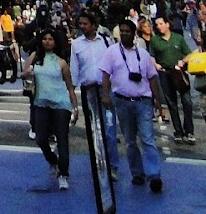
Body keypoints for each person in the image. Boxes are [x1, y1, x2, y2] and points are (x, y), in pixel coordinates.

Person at [100, 17, 167, 192]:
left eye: (127, 31)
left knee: (147, 139)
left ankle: (154, 175)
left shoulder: (143, 55)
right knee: (130, 141)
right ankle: (137, 173)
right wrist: (105, 96)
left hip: (142, 102)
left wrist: (158, 102)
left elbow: (152, 78)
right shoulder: (112, 52)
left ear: (134, 34)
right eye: (121, 31)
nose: (123, 34)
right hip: (122, 101)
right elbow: (106, 75)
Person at [23, 28, 78, 190]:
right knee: (40, 138)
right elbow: (24, 74)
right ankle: (53, 160)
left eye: (50, 39)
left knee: (62, 140)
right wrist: (26, 74)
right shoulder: (35, 58)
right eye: (45, 39)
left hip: (61, 104)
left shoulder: (61, 62)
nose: (47, 41)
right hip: (41, 103)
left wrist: (75, 107)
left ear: (55, 42)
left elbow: (69, 87)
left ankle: (63, 174)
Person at [70, 11, 118, 177]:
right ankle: (100, 163)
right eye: (80, 24)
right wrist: (72, 94)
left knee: (110, 129)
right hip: (88, 90)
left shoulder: (106, 41)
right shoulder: (76, 44)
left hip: (106, 89)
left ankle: (113, 165)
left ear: (94, 25)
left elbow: (114, 63)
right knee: (94, 129)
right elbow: (74, 70)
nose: (82, 26)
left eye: (85, 23)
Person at [149, 13, 194, 144]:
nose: (159, 27)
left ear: (168, 25)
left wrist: (183, 61)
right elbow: (152, 55)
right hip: (165, 73)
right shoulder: (155, 40)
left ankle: (189, 131)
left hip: (179, 72)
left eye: (161, 24)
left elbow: (189, 53)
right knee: (172, 103)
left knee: (187, 102)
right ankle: (178, 132)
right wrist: (156, 65)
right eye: (157, 25)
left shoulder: (178, 38)